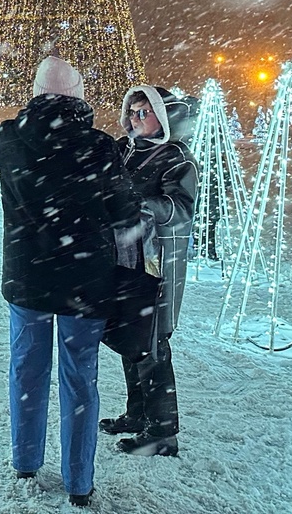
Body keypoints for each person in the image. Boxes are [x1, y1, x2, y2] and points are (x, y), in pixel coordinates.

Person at [0, 56, 142, 509]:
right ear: (79, 94)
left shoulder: (9, 137)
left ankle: (25, 459)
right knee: (80, 377)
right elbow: (127, 215)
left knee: (26, 368)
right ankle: (79, 482)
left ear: (36, 91)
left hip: (29, 277)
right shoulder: (100, 146)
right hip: (86, 282)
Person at [100, 86, 198, 458]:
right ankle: (137, 414)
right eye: (133, 112)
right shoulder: (126, 151)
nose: (136, 119)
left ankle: (162, 433)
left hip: (157, 264)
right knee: (133, 338)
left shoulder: (177, 159)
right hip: (127, 259)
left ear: (164, 116)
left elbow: (180, 209)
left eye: (145, 112)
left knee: (153, 343)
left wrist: (137, 203)